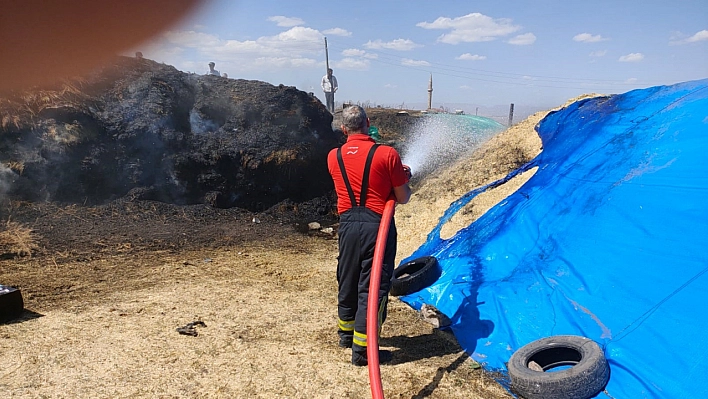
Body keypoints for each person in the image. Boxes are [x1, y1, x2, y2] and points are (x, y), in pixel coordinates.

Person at [327, 105, 412, 366]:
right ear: (368, 122)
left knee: (348, 278)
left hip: (348, 225)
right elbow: (403, 197)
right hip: (378, 226)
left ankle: (345, 334)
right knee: (372, 287)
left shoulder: (333, 156)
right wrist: (402, 176)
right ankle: (362, 351)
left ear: (343, 129)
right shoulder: (387, 154)